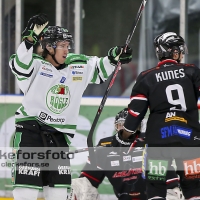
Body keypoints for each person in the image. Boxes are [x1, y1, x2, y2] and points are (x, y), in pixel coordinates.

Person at [9, 14, 133, 200]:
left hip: (59, 137)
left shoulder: (77, 64)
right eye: (62, 46)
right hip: (30, 133)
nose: (67, 50)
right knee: (26, 192)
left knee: (59, 193)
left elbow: (100, 67)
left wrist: (115, 56)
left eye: (68, 46)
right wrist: (28, 39)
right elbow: (19, 63)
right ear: (49, 47)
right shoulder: (33, 65)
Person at [120, 32, 200, 200]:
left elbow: (135, 113)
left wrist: (126, 134)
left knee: (155, 185)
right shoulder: (192, 71)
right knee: (193, 185)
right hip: (189, 141)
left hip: (159, 142)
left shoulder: (146, 77)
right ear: (175, 52)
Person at [71, 108, 184, 200]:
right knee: (77, 186)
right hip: (125, 197)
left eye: (130, 125)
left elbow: (169, 181)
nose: (126, 129)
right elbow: (87, 182)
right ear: (116, 127)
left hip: (156, 195)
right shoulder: (105, 146)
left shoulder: (150, 141)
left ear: (139, 126)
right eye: (121, 125)